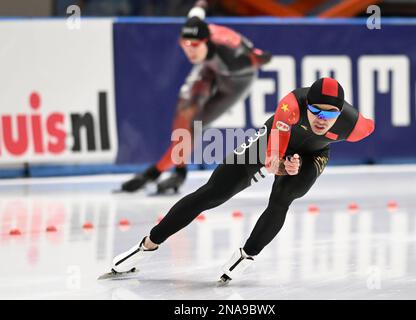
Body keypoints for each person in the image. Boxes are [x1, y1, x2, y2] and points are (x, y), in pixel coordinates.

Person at [103, 77, 375, 283]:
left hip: (313, 154)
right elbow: (271, 159)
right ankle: (145, 246)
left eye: (330, 114)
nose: (321, 120)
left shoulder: (357, 126)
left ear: (341, 113)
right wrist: (282, 164)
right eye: (316, 111)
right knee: (213, 193)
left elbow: (366, 125)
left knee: (283, 198)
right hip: (273, 142)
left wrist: (299, 165)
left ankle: (247, 255)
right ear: (307, 106)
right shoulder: (290, 106)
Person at [120, 0, 272, 194]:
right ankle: (179, 171)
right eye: (185, 44)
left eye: (194, 45)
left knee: (195, 125)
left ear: (206, 42)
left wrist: (258, 56)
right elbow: (198, 9)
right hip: (209, 68)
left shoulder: (233, 55)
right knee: (184, 111)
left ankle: (155, 172)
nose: (189, 50)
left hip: (236, 82)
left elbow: (261, 57)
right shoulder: (194, 25)